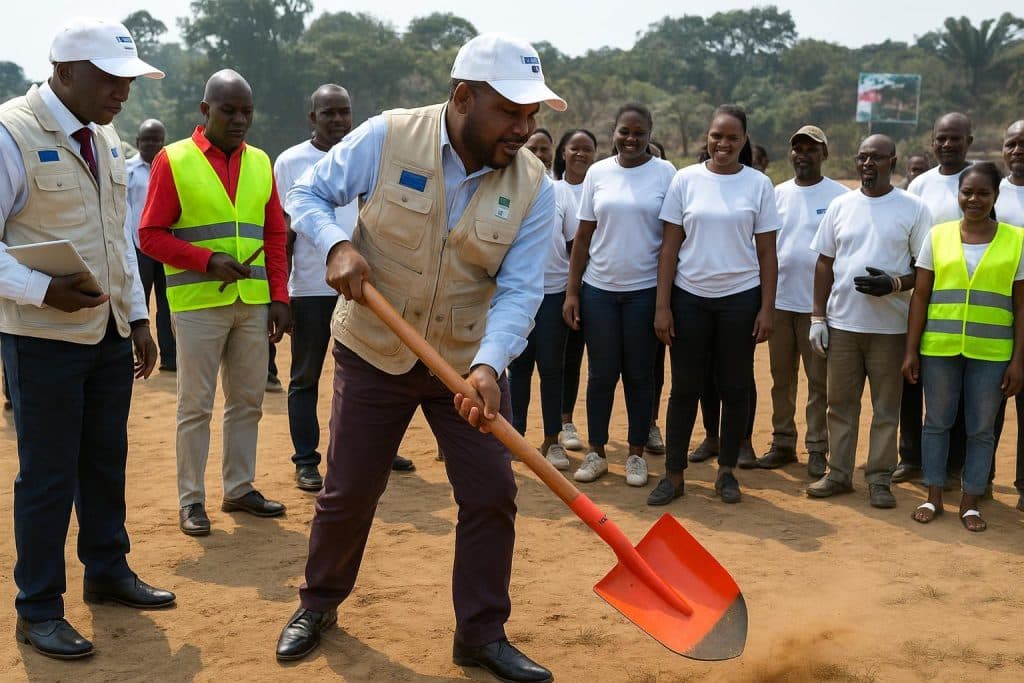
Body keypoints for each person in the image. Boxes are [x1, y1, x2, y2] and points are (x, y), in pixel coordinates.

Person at [274, 34, 562, 683]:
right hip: (375, 348)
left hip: (464, 361)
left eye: (533, 114)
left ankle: (481, 633)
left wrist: (488, 366)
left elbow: (519, 289)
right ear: (463, 97)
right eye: (511, 111)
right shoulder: (388, 136)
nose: (524, 128)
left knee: (491, 491)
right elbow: (308, 195)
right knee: (348, 490)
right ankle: (317, 604)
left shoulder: (536, 187)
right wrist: (336, 243)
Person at [0, 17, 174, 660]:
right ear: (65, 72)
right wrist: (40, 290)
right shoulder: (10, 133)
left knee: (104, 460)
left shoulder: (105, 137)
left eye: (128, 79)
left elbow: (115, 237)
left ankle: (107, 570)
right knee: (48, 476)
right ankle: (38, 608)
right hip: (41, 334)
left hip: (104, 330)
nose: (122, 92)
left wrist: (137, 319)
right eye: (111, 78)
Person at [139, 69, 290, 536]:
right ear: (205, 111)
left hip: (253, 301)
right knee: (195, 406)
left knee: (247, 401)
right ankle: (191, 500)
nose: (240, 119)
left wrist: (280, 296)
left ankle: (239, 488)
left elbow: (275, 233)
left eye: (247, 111)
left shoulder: (262, 162)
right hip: (198, 302)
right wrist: (207, 260)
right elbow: (149, 235)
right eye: (229, 110)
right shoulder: (174, 159)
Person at [274, 84, 415, 491]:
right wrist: (280, 294)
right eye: (328, 113)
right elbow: (284, 233)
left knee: (371, 373)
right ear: (312, 117)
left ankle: (373, 452)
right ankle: (306, 460)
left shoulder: (368, 154)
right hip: (311, 289)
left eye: (344, 112)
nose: (338, 120)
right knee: (306, 376)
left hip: (363, 288)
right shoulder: (290, 162)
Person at [649, 104, 779, 506]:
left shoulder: (759, 185)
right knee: (685, 388)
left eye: (732, 138)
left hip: (740, 300)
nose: (723, 144)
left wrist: (767, 308)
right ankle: (674, 474)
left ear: (744, 141)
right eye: (716, 136)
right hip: (689, 299)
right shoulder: (685, 180)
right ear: (707, 137)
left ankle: (726, 471)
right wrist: (663, 306)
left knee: (735, 387)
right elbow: (669, 250)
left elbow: (767, 254)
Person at [806, 134, 932, 509]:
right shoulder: (841, 205)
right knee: (840, 405)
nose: (867, 164)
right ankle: (839, 474)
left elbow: (924, 270)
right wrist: (818, 316)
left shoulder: (913, 208)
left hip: (891, 329)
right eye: (862, 157)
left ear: (892, 161)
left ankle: (879, 479)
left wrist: (894, 284)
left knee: (885, 408)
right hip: (844, 324)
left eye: (876, 158)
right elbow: (825, 261)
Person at [904, 163, 1024, 531]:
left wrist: (1018, 361)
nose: (974, 199)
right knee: (937, 423)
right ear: (958, 195)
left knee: (981, 428)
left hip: (992, 352)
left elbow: (1021, 305)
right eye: (967, 192)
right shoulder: (937, 236)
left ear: (995, 197)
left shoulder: (1016, 240)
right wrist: (911, 350)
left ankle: (971, 502)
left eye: (982, 193)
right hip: (940, 347)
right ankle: (933, 495)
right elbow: (921, 295)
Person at [563, 103, 675, 488]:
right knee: (601, 375)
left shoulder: (665, 174)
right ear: (614, 132)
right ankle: (596, 452)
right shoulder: (598, 172)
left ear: (649, 134)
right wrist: (572, 292)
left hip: (644, 292)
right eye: (624, 131)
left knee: (641, 377)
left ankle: (636, 455)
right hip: (599, 292)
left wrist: (663, 302)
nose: (631, 139)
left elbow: (670, 244)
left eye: (639, 132)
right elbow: (583, 237)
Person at [757, 125, 847, 477]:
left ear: (824, 154)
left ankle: (817, 448)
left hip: (819, 308)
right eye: (798, 149)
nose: (803, 155)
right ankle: (782, 442)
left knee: (819, 381)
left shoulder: (840, 197)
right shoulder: (776, 194)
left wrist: (822, 313)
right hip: (778, 303)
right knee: (781, 378)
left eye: (812, 149)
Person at [895, 113, 974, 485]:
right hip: (922, 297)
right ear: (932, 142)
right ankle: (910, 457)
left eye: (955, 138)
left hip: (968, 303)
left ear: (968, 142)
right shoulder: (919, 186)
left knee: (956, 386)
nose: (947, 145)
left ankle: (955, 464)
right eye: (941, 138)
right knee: (911, 381)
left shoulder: (978, 182)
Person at [510, 129, 577, 469]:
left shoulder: (562, 193)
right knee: (518, 368)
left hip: (552, 294)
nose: (538, 153)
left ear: (554, 154)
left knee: (552, 368)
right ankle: (516, 437)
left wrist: (572, 291)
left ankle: (553, 441)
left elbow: (572, 245)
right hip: (516, 295)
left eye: (544, 148)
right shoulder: (505, 186)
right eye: (532, 147)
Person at [551, 128, 597, 454]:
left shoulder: (602, 186)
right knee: (566, 358)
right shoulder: (555, 190)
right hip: (566, 287)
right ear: (563, 153)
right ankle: (565, 421)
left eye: (588, 149)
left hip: (600, 286)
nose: (581, 154)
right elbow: (573, 244)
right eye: (574, 148)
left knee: (593, 362)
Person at [125, 118, 175, 373]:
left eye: (157, 139)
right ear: (137, 142)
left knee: (168, 304)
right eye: (147, 139)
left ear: (163, 141)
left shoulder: (172, 168)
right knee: (138, 305)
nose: (152, 144)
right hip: (139, 248)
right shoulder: (127, 170)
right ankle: (137, 354)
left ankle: (170, 358)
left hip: (167, 247)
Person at [995, 120, 1024, 512]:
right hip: (996, 314)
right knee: (989, 403)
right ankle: (979, 479)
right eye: (1012, 143)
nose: (1018, 150)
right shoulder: (990, 193)